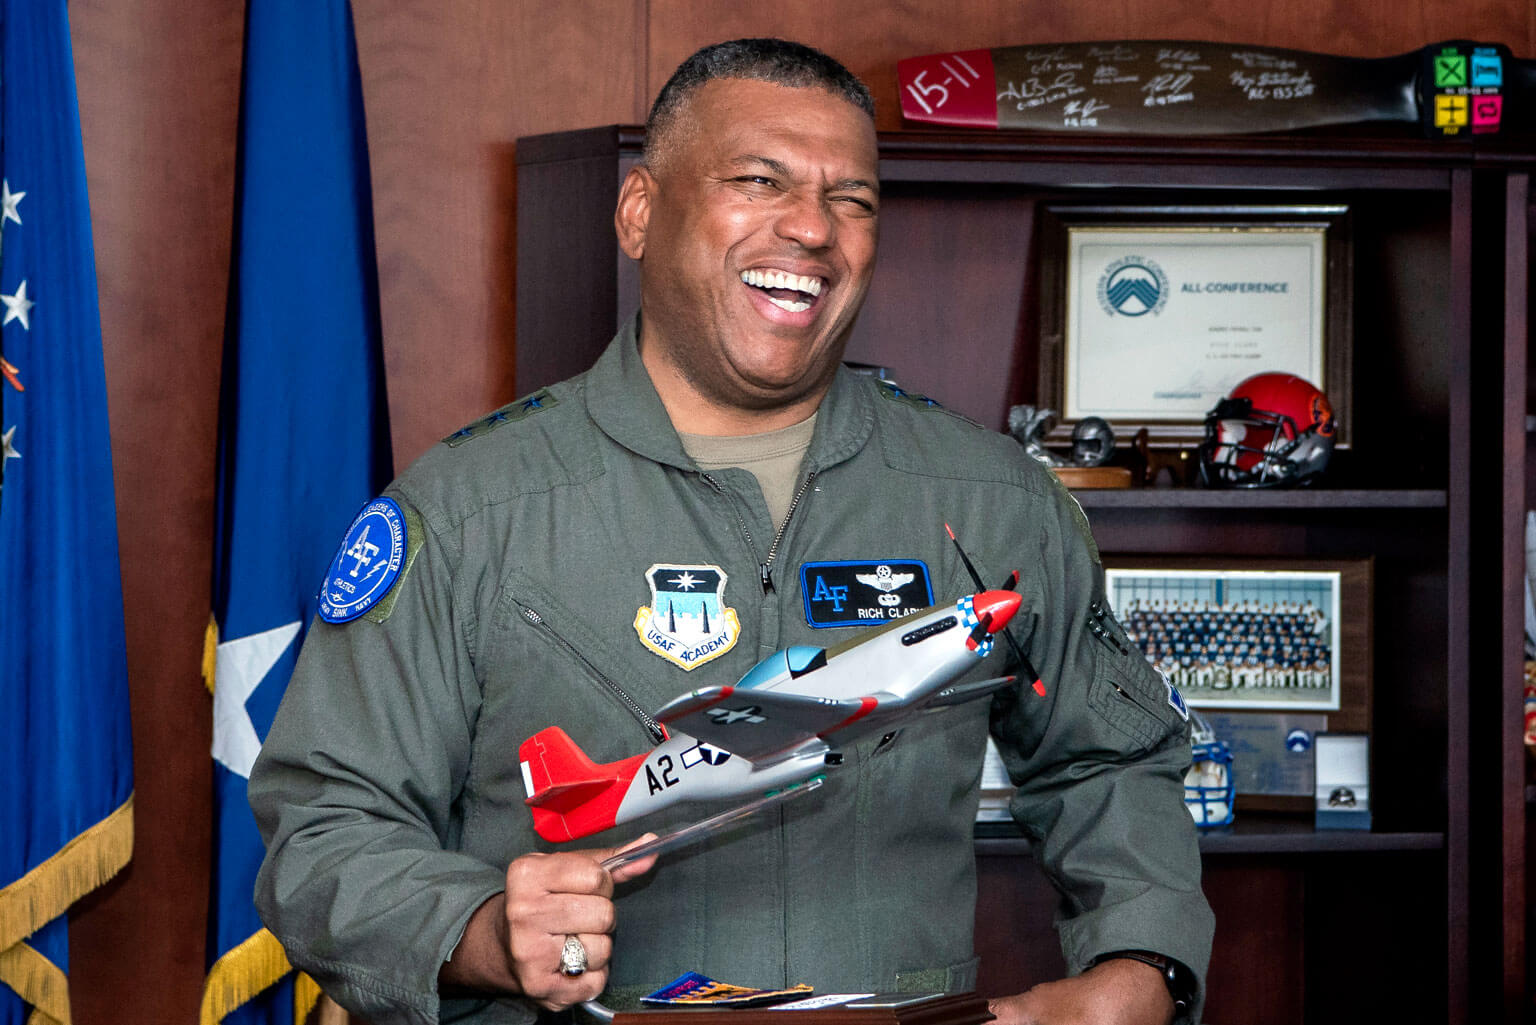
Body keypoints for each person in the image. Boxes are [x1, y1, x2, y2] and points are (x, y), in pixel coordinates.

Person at [250, 38, 1214, 1025]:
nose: (811, 227)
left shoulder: (995, 499)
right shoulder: (465, 511)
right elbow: (326, 827)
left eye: (853, 199)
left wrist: (1143, 966)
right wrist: (483, 931)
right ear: (639, 212)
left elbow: (1111, 759)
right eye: (759, 181)